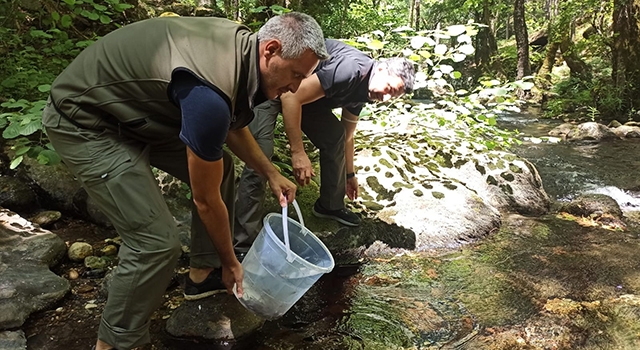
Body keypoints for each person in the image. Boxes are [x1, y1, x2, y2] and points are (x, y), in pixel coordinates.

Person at [41, 13, 328, 350]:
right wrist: (230, 261)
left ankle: (201, 275)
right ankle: (117, 342)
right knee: (155, 243)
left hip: (137, 113)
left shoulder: (242, 51)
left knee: (219, 165)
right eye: (295, 75)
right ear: (272, 49)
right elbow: (205, 200)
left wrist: (270, 172)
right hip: (86, 121)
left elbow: (231, 121)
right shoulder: (210, 94)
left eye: (303, 78)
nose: (295, 88)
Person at [234, 39, 415, 253]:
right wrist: (297, 152)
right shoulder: (351, 70)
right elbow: (291, 97)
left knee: (335, 135)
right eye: (389, 88)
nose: (384, 98)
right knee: (260, 156)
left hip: (307, 96)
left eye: (392, 96)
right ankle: (242, 244)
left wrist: (349, 174)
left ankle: (330, 205)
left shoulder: (365, 90)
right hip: (278, 86)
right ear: (382, 69)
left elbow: (346, 136)